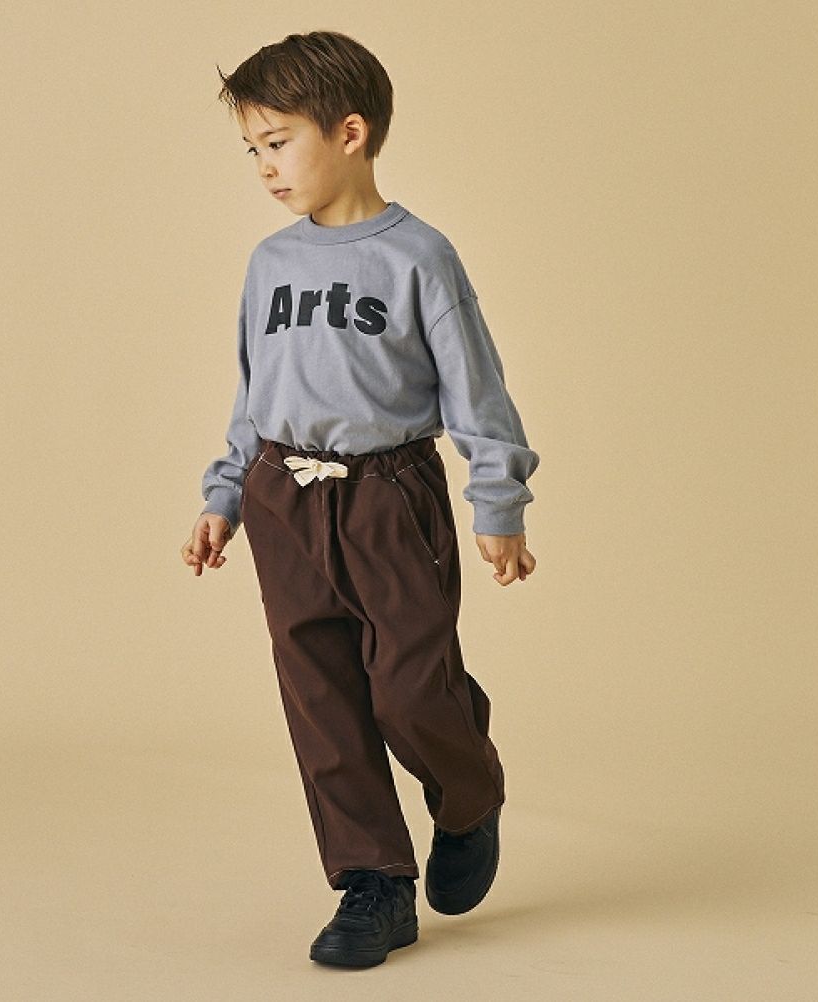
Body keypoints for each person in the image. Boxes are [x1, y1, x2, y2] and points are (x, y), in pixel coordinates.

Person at [182, 30, 539, 968]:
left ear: (350, 133)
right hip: (283, 498)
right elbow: (254, 393)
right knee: (321, 696)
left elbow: (476, 387)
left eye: (278, 142)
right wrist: (225, 493)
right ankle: (373, 884)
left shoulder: (419, 256)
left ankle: (468, 793)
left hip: (388, 497)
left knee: (412, 687)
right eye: (252, 149)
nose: (264, 167)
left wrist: (497, 501)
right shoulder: (270, 264)